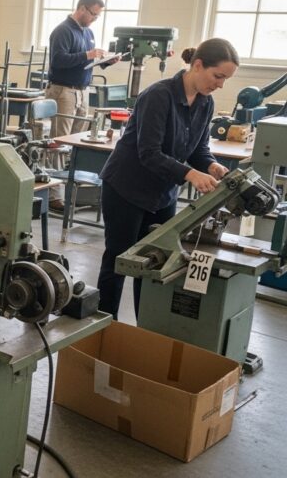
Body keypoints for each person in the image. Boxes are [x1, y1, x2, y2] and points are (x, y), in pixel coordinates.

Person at [95, 38, 239, 320]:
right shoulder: (158, 96)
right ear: (198, 65)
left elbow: (198, 149)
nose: (220, 85)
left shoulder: (205, 103)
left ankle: (145, 326)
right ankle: (103, 327)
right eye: (218, 76)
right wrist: (190, 174)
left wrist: (212, 167)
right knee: (119, 260)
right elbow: (149, 153)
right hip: (126, 188)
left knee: (154, 263)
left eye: (225, 79)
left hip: (162, 194)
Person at [44, 0, 112, 211]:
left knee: (77, 141)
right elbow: (58, 60)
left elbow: (87, 60)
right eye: (93, 14)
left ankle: (72, 189)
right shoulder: (62, 31)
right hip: (63, 90)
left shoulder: (88, 32)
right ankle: (54, 194)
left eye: (97, 16)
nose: (94, 19)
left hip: (82, 91)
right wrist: (87, 54)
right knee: (59, 141)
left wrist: (106, 61)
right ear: (81, 9)